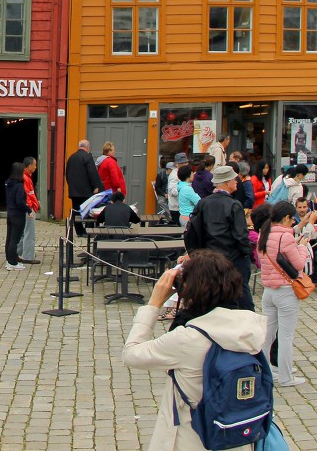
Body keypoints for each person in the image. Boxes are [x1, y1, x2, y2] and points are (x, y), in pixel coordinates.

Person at [121, 250, 266, 449]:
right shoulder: (250, 329)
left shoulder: (187, 338)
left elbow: (131, 354)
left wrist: (154, 303)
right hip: (237, 434)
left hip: (192, 438)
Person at [184, 163, 254, 310]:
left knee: (212, 296)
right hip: (233, 259)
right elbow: (241, 236)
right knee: (241, 296)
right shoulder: (234, 205)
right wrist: (247, 253)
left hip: (209, 259)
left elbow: (194, 231)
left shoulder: (203, 203)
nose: (237, 182)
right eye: (234, 179)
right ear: (227, 182)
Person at [255, 200, 310, 387]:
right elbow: (299, 265)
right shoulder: (285, 237)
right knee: (286, 336)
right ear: (286, 217)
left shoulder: (264, 233)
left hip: (268, 291)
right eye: (291, 218)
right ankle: (286, 377)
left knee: (268, 335)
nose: (293, 222)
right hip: (286, 291)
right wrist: (302, 247)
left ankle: (266, 371)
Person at [64, 139, 101, 236]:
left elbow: (67, 174)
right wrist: (96, 186)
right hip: (86, 191)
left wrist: (71, 186)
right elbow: (92, 173)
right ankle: (88, 231)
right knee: (90, 211)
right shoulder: (87, 157)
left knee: (76, 212)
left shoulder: (71, 157)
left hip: (74, 191)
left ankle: (79, 232)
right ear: (87, 147)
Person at [3, 163, 29, 271]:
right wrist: (28, 209)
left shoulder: (8, 183)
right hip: (18, 215)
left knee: (9, 239)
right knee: (15, 239)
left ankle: (9, 260)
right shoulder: (19, 186)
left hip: (10, 214)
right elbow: (20, 202)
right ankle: (12, 263)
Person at [17, 157, 41, 264]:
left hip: (26, 208)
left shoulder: (24, 177)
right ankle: (28, 256)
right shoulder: (26, 179)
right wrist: (30, 208)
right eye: (34, 165)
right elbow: (27, 195)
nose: (36, 167)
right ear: (29, 166)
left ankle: (16, 253)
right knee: (29, 233)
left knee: (22, 232)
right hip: (28, 209)